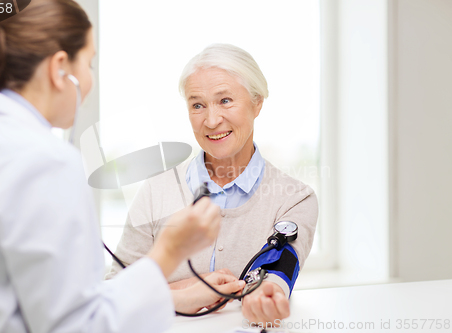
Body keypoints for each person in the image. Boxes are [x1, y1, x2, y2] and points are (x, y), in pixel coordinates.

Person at [0, 2, 245, 332]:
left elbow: (43, 300)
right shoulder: (44, 162)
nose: (90, 80)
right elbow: (79, 326)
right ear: (60, 68)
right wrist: (169, 252)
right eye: (89, 63)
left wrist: (176, 297)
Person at [107, 44, 319, 323]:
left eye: (225, 100)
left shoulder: (295, 199)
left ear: (257, 103)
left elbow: (278, 275)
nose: (211, 120)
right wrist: (183, 293)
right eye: (197, 105)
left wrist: (267, 294)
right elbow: (113, 291)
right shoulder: (155, 191)